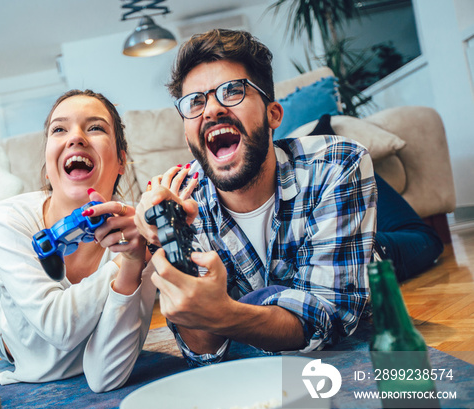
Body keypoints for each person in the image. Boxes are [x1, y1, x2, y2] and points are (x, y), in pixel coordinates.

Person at [134, 29, 442, 367]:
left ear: (273, 114)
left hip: (369, 252)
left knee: (425, 241)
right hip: (310, 230)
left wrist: (226, 314)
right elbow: (205, 351)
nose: (211, 110)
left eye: (232, 91)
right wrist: (163, 242)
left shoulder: (337, 162)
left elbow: (332, 315)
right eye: (195, 101)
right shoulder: (180, 205)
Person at [0, 89, 157, 392]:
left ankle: (9, 193)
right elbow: (59, 329)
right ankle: (6, 192)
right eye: (59, 129)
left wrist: (133, 262)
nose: (76, 138)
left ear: (120, 161)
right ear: (49, 165)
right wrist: (120, 263)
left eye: (95, 127)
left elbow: (105, 378)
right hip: (10, 333)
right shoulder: (7, 219)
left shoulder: (138, 236)